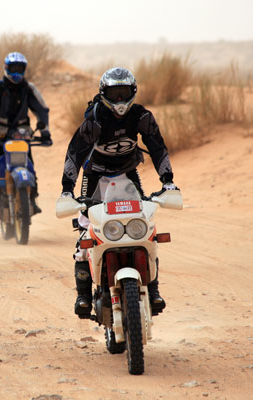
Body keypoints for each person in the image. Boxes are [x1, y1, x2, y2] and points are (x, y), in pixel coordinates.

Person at [60, 67, 179, 318]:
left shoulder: (141, 116)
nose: (120, 100)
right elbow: (75, 153)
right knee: (86, 234)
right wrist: (67, 190)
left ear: (133, 91)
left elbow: (158, 147)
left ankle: (154, 290)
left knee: (144, 229)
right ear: (103, 94)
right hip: (95, 178)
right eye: (114, 94)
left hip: (127, 174)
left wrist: (168, 182)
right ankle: (83, 296)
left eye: (124, 92)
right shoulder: (95, 119)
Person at [0, 51, 52, 218]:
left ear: (24, 70)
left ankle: (31, 199)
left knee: (29, 165)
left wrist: (45, 132)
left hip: (21, 136)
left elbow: (41, 110)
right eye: (13, 68)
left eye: (20, 69)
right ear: (6, 68)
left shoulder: (29, 89)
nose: (16, 72)